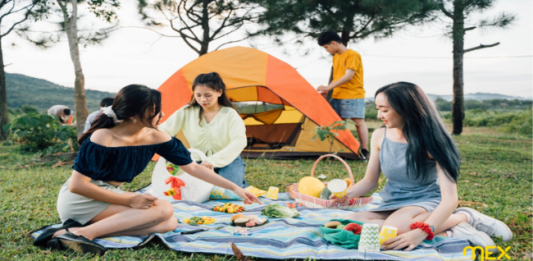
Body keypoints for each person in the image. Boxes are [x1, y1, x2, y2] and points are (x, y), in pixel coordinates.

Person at [33, 84, 260, 255]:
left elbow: (193, 168)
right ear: (133, 114)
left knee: (169, 223)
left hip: (111, 199)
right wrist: (129, 201)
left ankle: (67, 234)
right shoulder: (104, 136)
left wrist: (236, 188)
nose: (161, 115)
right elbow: (78, 185)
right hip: (82, 198)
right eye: (154, 110)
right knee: (163, 209)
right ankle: (83, 233)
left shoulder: (156, 136)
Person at [331, 82, 512, 251]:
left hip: (425, 199)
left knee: (395, 228)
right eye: (378, 109)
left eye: (384, 110)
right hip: (393, 200)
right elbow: (370, 181)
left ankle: (464, 218)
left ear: (406, 110)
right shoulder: (379, 135)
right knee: (350, 221)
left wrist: (421, 231)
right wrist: (347, 196)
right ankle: (449, 227)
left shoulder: (433, 142)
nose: (379, 115)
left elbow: (450, 199)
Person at [159, 72, 249, 188]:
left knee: (230, 190)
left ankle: (240, 183)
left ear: (219, 92)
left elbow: (240, 140)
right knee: (192, 189)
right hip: (196, 162)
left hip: (228, 160)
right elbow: (164, 130)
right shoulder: (186, 111)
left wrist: (212, 161)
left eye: (208, 95)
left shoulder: (230, 114)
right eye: (198, 95)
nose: (202, 99)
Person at [317, 31, 369, 159]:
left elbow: (348, 76)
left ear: (333, 43)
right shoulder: (336, 57)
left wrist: (328, 87)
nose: (326, 50)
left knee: (358, 122)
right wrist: (328, 90)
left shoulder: (352, 55)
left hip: (353, 94)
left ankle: (365, 150)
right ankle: (342, 149)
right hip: (338, 94)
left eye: (326, 47)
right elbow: (338, 77)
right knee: (338, 123)